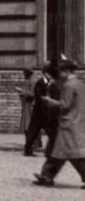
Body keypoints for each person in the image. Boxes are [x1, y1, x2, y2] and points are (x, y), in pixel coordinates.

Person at [33, 60, 85, 189]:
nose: (59, 74)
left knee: (73, 155)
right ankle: (47, 176)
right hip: (75, 122)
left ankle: (47, 177)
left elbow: (65, 105)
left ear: (67, 71)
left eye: (61, 71)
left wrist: (51, 102)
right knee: (59, 153)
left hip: (68, 124)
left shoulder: (69, 85)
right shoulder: (79, 83)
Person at [24, 64, 59, 157]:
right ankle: (27, 150)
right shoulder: (40, 83)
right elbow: (39, 96)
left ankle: (54, 151)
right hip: (39, 112)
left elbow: (55, 95)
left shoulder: (52, 83)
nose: (51, 75)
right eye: (49, 73)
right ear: (45, 73)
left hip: (48, 113)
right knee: (33, 132)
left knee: (52, 132)